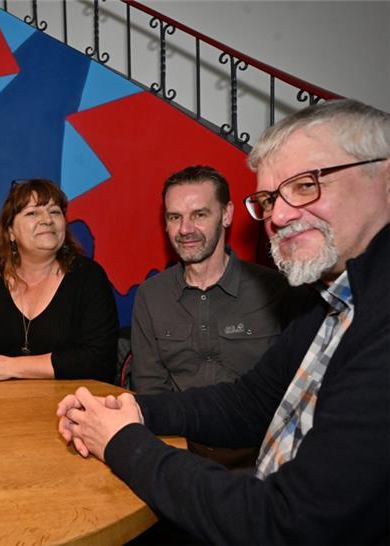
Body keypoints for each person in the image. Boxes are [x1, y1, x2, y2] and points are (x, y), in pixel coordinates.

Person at [57, 99, 389, 543]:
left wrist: (121, 442)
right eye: (270, 199)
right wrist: (137, 409)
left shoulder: (362, 312)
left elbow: (286, 524)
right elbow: (249, 402)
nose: (281, 215)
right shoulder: (333, 303)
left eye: (307, 185)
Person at [132, 165, 311, 394]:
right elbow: (150, 389)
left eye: (199, 215)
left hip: (256, 428)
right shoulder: (152, 295)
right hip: (176, 427)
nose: (185, 229)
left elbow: (296, 386)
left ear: (226, 214)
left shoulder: (276, 290)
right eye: (175, 217)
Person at [0, 178, 119, 382]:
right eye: (32, 213)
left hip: (70, 408)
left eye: (55, 212)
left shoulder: (88, 277)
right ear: (10, 231)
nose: (47, 219)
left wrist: (11, 366)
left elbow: (98, 361)